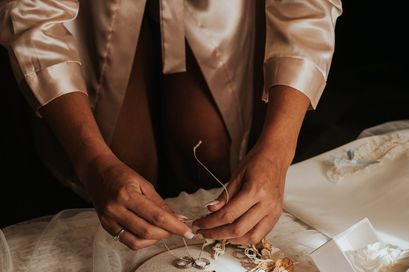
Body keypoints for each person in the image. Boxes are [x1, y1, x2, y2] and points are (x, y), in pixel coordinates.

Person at [0, 0, 341, 249]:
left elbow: (306, 8)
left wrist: (278, 150)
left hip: (218, 12)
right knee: (123, 159)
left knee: (210, 149)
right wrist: (93, 163)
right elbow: (32, 13)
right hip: (92, 11)